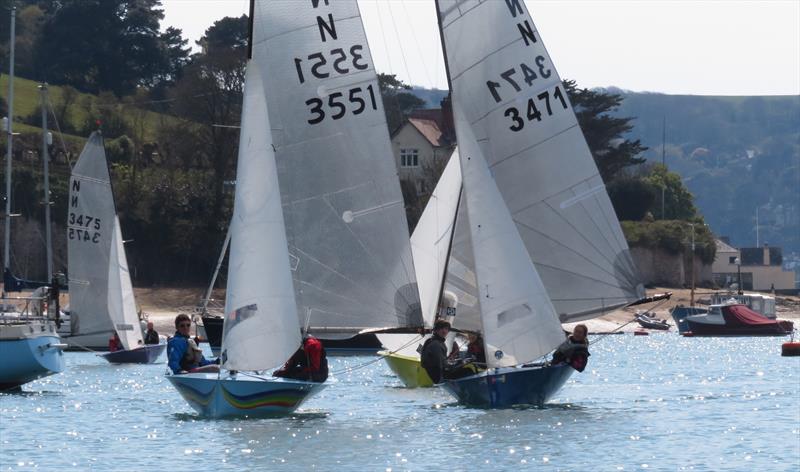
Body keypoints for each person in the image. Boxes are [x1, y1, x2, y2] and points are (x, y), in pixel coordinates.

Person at [420, 319, 451, 383]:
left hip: (435, 374)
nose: (444, 331)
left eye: (446, 329)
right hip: (438, 377)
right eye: (442, 328)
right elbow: (439, 363)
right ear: (436, 330)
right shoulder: (436, 344)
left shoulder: (434, 341)